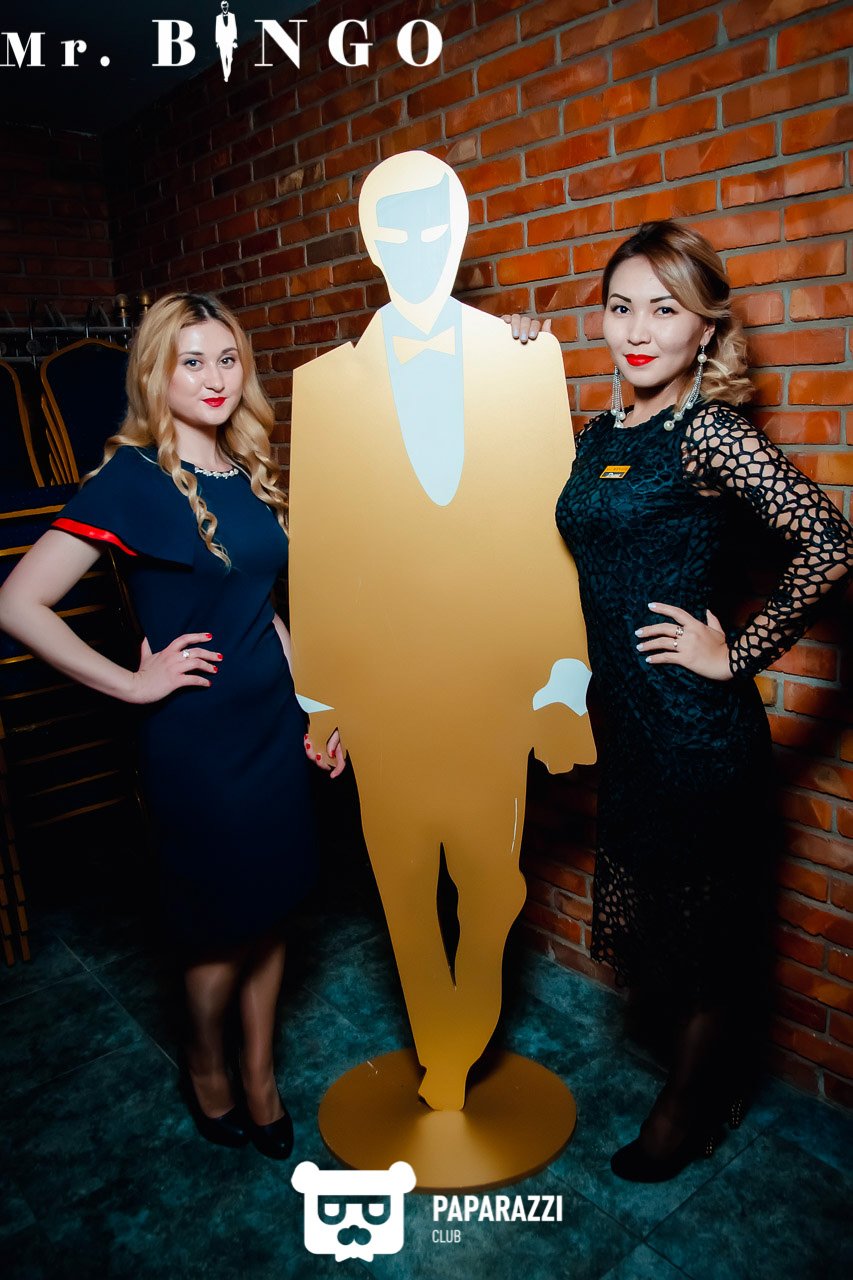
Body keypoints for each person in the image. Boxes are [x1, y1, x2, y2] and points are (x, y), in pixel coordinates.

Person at [507, 220, 852, 1181]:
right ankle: (711, 1081)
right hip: (628, 731)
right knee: (670, 932)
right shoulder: (598, 436)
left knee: (705, 944)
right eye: (620, 308)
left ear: (704, 328)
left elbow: (829, 543)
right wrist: (513, 366)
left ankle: (690, 1108)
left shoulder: (710, 434)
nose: (637, 330)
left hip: (697, 736)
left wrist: (734, 654)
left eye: (663, 310)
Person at [0, 293, 343, 1159]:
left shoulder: (247, 470)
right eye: (192, 361)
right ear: (156, 373)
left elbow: (260, 610)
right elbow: (17, 602)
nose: (214, 378)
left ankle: (260, 1074)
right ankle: (206, 1065)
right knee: (217, 929)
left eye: (227, 358)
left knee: (273, 910)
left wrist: (315, 710)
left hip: (272, 729)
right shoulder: (130, 481)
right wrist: (131, 683)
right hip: (197, 744)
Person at [290, 151, 595, 1112]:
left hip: (493, 683)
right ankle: (445, 1056)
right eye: (398, 232)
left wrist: (564, 684)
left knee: (489, 880)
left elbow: (554, 535)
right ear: (370, 244)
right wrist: (321, 700)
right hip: (383, 691)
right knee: (402, 888)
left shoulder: (525, 359)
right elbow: (318, 552)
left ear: (457, 235)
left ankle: (458, 1035)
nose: (419, 248)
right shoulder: (324, 386)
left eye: (434, 229)